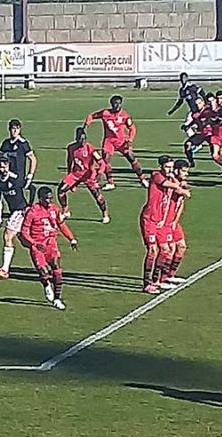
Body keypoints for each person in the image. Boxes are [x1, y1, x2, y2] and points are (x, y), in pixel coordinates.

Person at [20, 186, 78, 310]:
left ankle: (57, 298)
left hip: (51, 243)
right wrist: (33, 243)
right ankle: (46, 285)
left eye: (51, 198)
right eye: (47, 199)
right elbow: (24, 231)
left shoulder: (54, 209)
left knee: (56, 267)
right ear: (40, 199)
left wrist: (71, 239)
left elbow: (61, 224)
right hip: (38, 245)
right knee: (43, 271)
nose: (49, 201)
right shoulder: (32, 212)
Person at [140, 156, 192, 294]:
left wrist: (181, 185)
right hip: (149, 219)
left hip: (160, 221)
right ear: (162, 166)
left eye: (171, 167)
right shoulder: (156, 175)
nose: (169, 169)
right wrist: (181, 188)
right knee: (153, 251)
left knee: (166, 251)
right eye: (167, 167)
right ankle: (147, 283)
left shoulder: (171, 179)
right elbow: (170, 185)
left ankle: (159, 280)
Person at [84, 95, 144, 190]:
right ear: (111, 104)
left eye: (119, 104)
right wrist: (86, 124)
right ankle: (110, 182)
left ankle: (142, 179)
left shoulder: (125, 116)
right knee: (106, 160)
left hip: (121, 141)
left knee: (131, 157)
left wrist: (130, 140)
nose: (117, 106)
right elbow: (91, 116)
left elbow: (132, 128)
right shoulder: (105, 113)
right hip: (109, 141)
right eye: (115, 104)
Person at [0, 155, 30, 280]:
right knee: (24, 240)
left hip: (20, 210)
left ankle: (4, 270)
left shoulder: (15, 178)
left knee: (7, 235)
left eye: (5, 165)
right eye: (0, 165)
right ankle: (44, 256)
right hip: (13, 211)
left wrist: (29, 205)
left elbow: (31, 188)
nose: (2, 168)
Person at [57, 127, 110, 223]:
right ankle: (65, 210)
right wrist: (69, 174)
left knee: (97, 196)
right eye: (81, 140)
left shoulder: (90, 148)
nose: (83, 143)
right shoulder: (71, 148)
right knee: (61, 190)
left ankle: (105, 213)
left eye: (84, 140)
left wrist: (100, 173)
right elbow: (70, 161)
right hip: (75, 174)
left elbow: (101, 162)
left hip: (89, 175)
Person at [159, 159, 192, 288]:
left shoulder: (179, 182)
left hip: (174, 222)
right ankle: (162, 278)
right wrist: (182, 187)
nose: (186, 174)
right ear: (176, 170)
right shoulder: (172, 183)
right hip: (166, 222)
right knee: (170, 249)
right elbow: (179, 191)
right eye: (183, 171)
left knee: (182, 247)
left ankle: (170, 275)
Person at [167, 72, 205, 138]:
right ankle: (194, 142)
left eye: (184, 78)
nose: (183, 80)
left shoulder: (192, 87)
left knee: (202, 127)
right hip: (192, 112)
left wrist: (207, 104)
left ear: (187, 78)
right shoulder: (182, 90)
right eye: (181, 78)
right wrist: (172, 110)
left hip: (199, 111)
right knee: (186, 127)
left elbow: (202, 93)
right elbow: (180, 102)